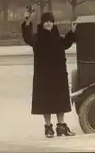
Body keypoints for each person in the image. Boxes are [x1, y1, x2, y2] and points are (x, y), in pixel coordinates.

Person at [22, 9, 77, 138]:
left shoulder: (56, 36)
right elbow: (27, 37)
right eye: (46, 22)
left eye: (50, 22)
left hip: (58, 74)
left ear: (53, 23)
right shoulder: (37, 38)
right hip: (44, 76)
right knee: (45, 102)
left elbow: (65, 44)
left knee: (60, 100)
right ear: (42, 23)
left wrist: (72, 32)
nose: (48, 24)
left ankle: (61, 126)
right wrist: (27, 20)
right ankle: (48, 127)